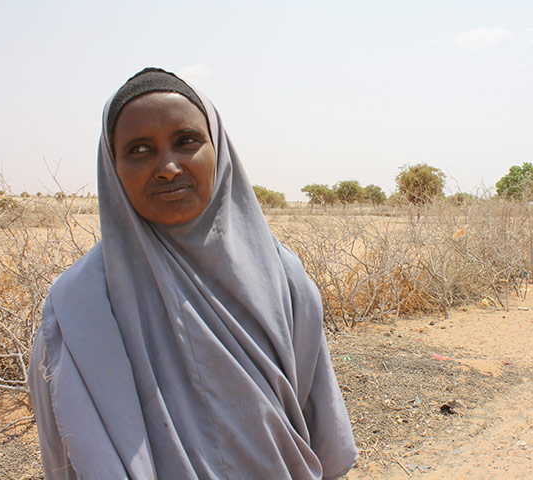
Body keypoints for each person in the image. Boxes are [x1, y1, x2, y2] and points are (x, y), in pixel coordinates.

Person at [28, 67, 358, 479]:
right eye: (139, 149)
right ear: (112, 167)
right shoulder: (78, 308)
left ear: (218, 150)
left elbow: (320, 432)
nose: (167, 167)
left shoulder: (284, 279)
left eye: (186, 141)